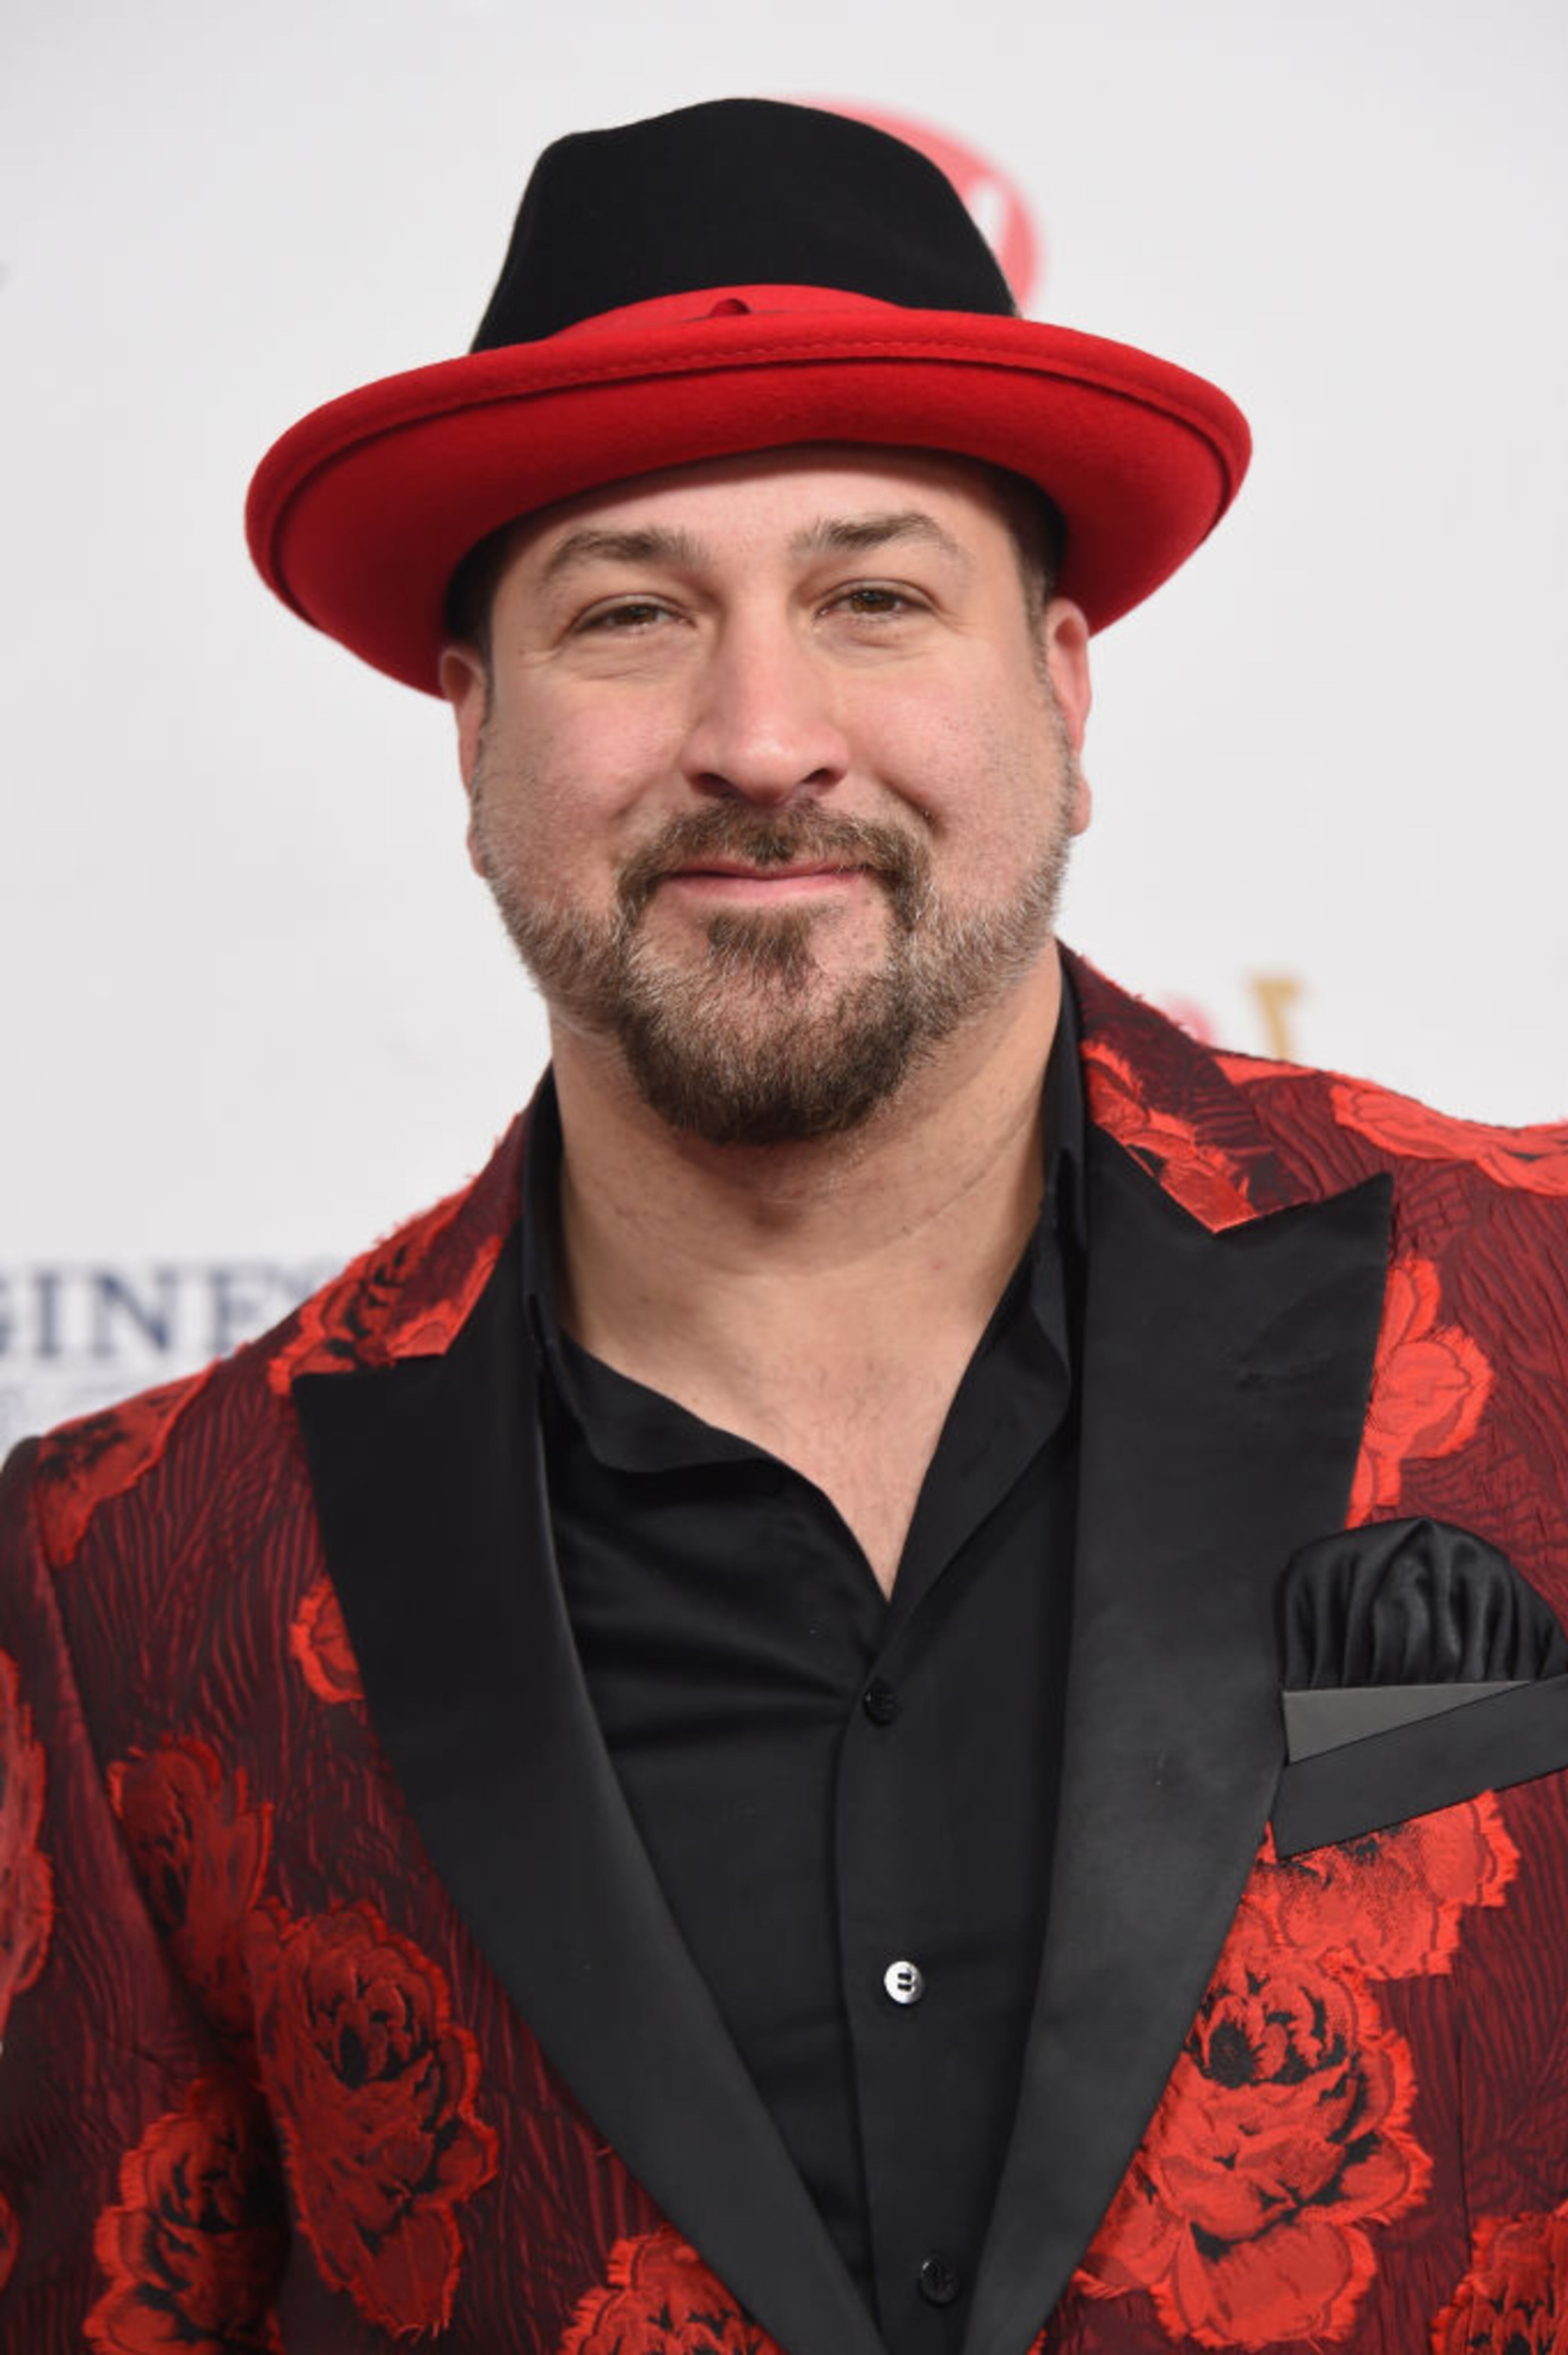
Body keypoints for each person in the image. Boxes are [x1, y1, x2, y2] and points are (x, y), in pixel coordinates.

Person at [2, 96, 1567, 2355]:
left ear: (1061, 688)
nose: (760, 734)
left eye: (873, 599)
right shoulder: (136, 1567)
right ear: (473, 734)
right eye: (631, 613)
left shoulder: (1535, 1307)